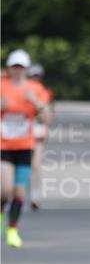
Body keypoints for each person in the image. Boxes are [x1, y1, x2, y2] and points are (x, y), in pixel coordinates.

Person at [1, 50, 47, 247]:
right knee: (4, 190)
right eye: (15, 67)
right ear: (10, 68)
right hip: (4, 146)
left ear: (26, 69)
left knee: (19, 193)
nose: (18, 71)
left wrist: (36, 103)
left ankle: (12, 229)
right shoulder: (1, 86)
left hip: (24, 147)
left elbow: (47, 119)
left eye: (21, 67)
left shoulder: (35, 89)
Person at [26, 63, 55, 209]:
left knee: (35, 165)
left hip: (37, 131)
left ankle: (35, 195)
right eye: (32, 76)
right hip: (20, 132)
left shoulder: (44, 92)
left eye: (37, 76)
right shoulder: (20, 89)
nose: (35, 79)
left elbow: (49, 115)